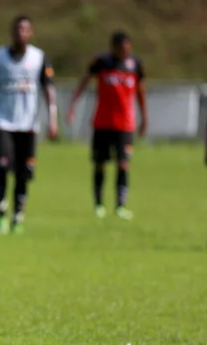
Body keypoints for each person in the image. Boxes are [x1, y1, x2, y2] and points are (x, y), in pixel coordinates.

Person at [0, 15, 58, 234]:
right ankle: (1, 212)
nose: (21, 34)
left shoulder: (39, 57)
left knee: (24, 173)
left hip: (29, 124)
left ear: (31, 33)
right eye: (18, 30)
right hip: (3, 121)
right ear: (12, 32)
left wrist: (53, 118)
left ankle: (18, 215)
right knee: (3, 167)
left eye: (25, 30)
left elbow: (48, 90)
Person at [66, 31, 147, 220]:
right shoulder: (102, 62)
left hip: (125, 124)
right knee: (100, 164)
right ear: (113, 47)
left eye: (128, 47)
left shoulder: (135, 65)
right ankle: (99, 204)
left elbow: (141, 92)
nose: (125, 51)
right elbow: (84, 82)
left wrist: (145, 118)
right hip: (102, 122)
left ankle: (120, 205)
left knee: (123, 164)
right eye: (121, 48)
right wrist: (72, 105)